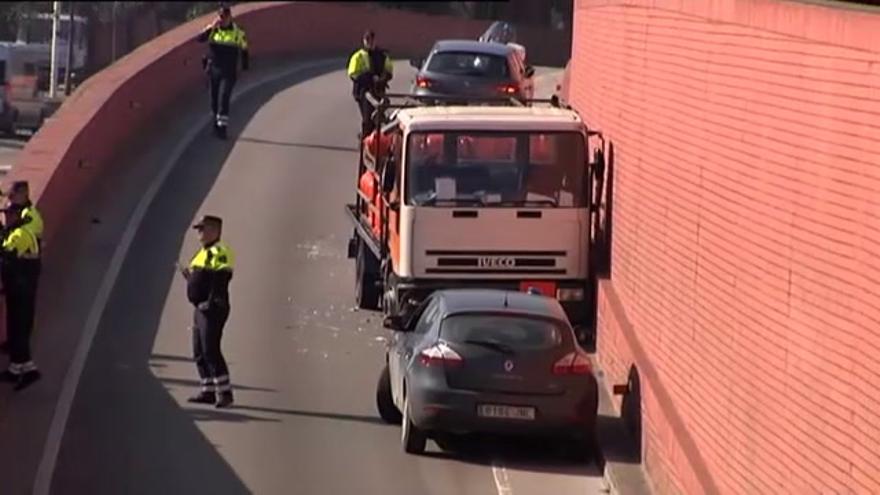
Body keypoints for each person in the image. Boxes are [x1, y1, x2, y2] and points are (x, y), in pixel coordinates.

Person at [180, 215, 235, 408]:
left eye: (203, 229)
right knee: (199, 351)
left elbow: (222, 278)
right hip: (200, 307)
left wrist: (211, 302)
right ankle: (208, 390)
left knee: (211, 349)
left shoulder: (219, 251)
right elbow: (201, 279)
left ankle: (225, 393)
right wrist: (190, 278)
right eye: (199, 229)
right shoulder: (202, 252)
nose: (200, 233)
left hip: (212, 308)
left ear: (215, 231)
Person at [0, 203, 41, 390]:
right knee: (16, 328)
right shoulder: (15, 231)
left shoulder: (20, 234)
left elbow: (6, 253)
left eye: (8, 214)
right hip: (19, 288)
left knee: (19, 329)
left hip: (22, 289)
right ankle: (17, 368)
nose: (6, 217)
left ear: (16, 215)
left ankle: (29, 371)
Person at [197, 5, 249, 137]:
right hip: (214, 69)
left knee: (224, 97)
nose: (222, 19)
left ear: (230, 17)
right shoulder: (213, 30)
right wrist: (211, 27)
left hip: (229, 71)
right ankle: (216, 122)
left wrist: (245, 67)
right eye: (220, 16)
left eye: (225, 17)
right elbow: (199, 39)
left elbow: (244, 49)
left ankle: (222, 128)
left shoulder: (238, 32)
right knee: (214, 99)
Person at [347, 29, 394, 137]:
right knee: (367, 118)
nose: (369, 43)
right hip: (363, 92)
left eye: (371, 40)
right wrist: (370, 77)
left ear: (375, 41)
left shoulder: (382, 56)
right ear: (364, 41)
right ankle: (366, 140)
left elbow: (389, 71)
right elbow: (353, 74)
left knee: (378, 118)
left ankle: (376, 140)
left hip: (378, 91)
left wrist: (383, 78)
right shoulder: (358, 56)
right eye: (367, 40)